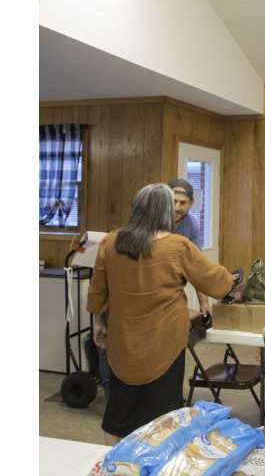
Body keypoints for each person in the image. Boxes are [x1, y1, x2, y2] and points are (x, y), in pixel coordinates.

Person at [87, 183, 235, 443]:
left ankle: (118, 465)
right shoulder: (178, 246)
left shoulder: (110, 242)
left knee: (120, 410)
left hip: (122, 340)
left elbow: (98, 291)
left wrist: (99, 323)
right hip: (165, 340)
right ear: (166, 211)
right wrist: (232, 279)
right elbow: (216, 282)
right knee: (163, 414)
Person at [168, 178, 211, 316]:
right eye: (173, 201)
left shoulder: (192, 225)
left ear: (191, 203)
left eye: (182, 203)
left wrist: (204, 303)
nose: (177, 207)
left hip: (175, 286)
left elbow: (197, 267)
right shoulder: (151, 220)